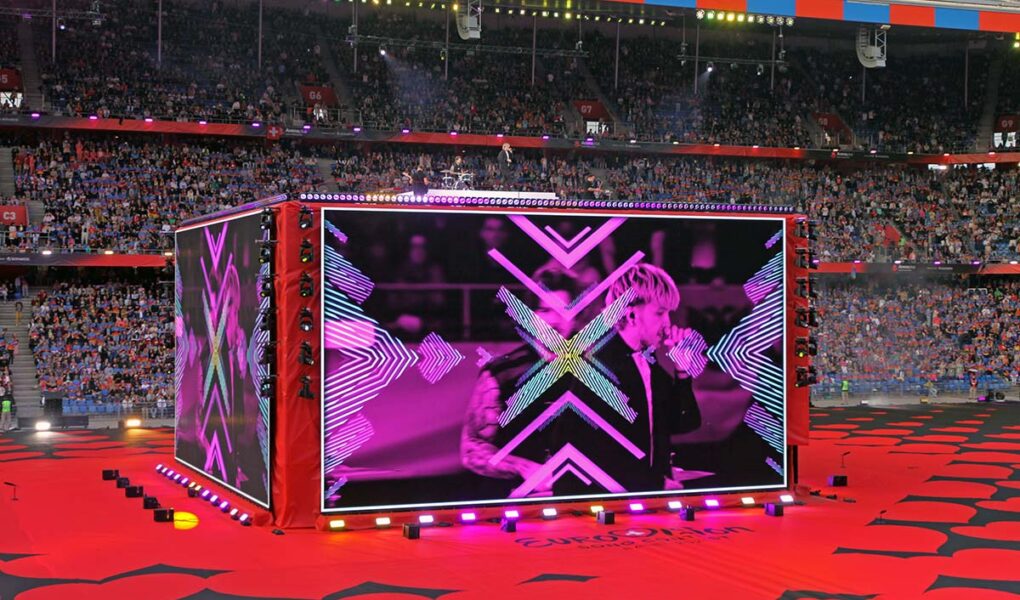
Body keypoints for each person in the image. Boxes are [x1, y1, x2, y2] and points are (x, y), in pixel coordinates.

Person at [461, 265, 584, 496]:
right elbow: (471, 450)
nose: (554, 321)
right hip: (515, 503)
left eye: (563, 310)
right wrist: (524, 468)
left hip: (580, 501)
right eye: (545, 310)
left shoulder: (595, 372)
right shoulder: (501, 372)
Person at [588, 262, 702, 492]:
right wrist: (657, 484)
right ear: (631, 314)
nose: (667, 323)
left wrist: (682, 370)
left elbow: (685, 423)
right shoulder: (598, 365)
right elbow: (602, 454)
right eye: (660, 313)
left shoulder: (648, 360)